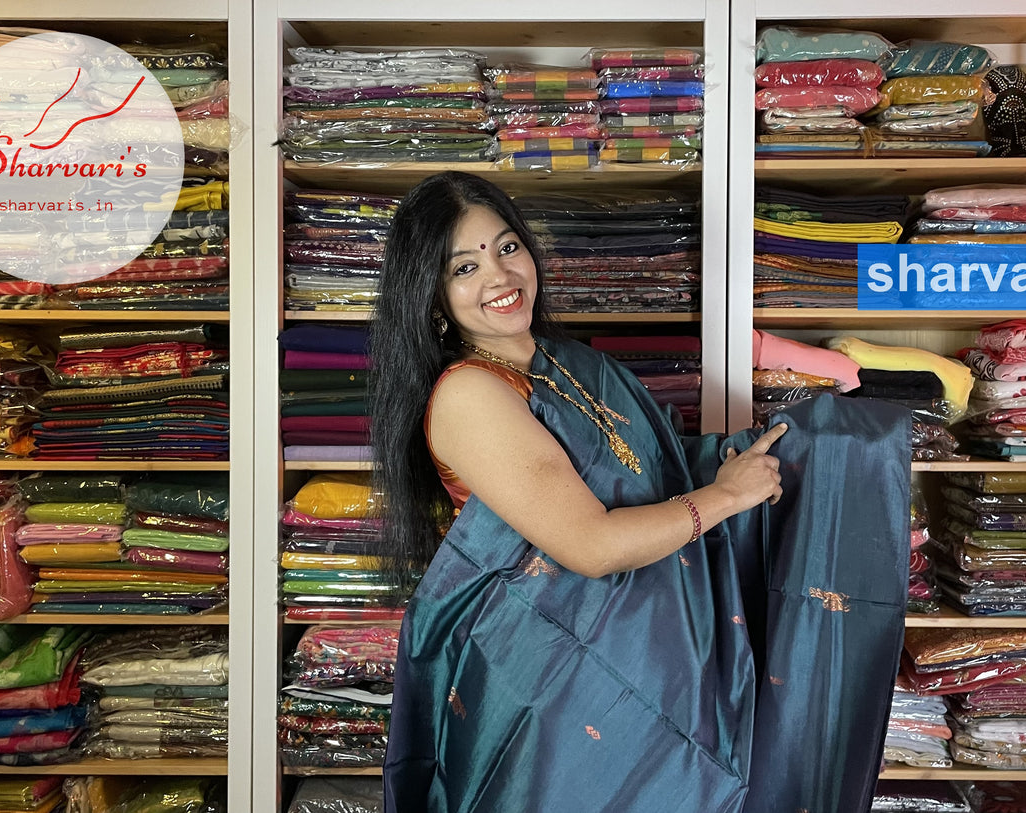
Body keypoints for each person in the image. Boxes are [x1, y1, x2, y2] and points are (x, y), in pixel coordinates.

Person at [373, 171, 911, 813]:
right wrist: (727, 498)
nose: (499, 276)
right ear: (432, 295)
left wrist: (787, 451)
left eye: (507, 247)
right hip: (551, 679)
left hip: (653, 657)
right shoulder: (470, 394)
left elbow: (660, 473)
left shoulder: (573, 363)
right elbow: (591, 545)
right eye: (465, 266)